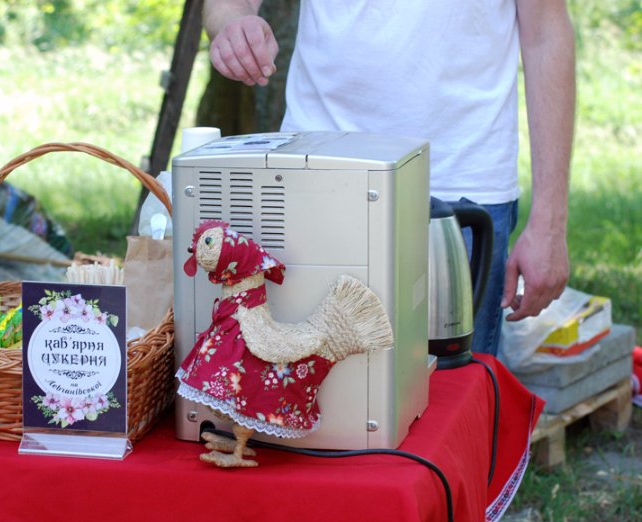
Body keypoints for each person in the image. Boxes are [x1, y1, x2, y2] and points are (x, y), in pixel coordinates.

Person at [203, 0, 575, 356]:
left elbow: (545, 33)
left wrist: (550, 224)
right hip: (315, 176)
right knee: (298, 381)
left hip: (460, 187)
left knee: (453, 390)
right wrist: (234, 24)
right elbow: (226, 4)